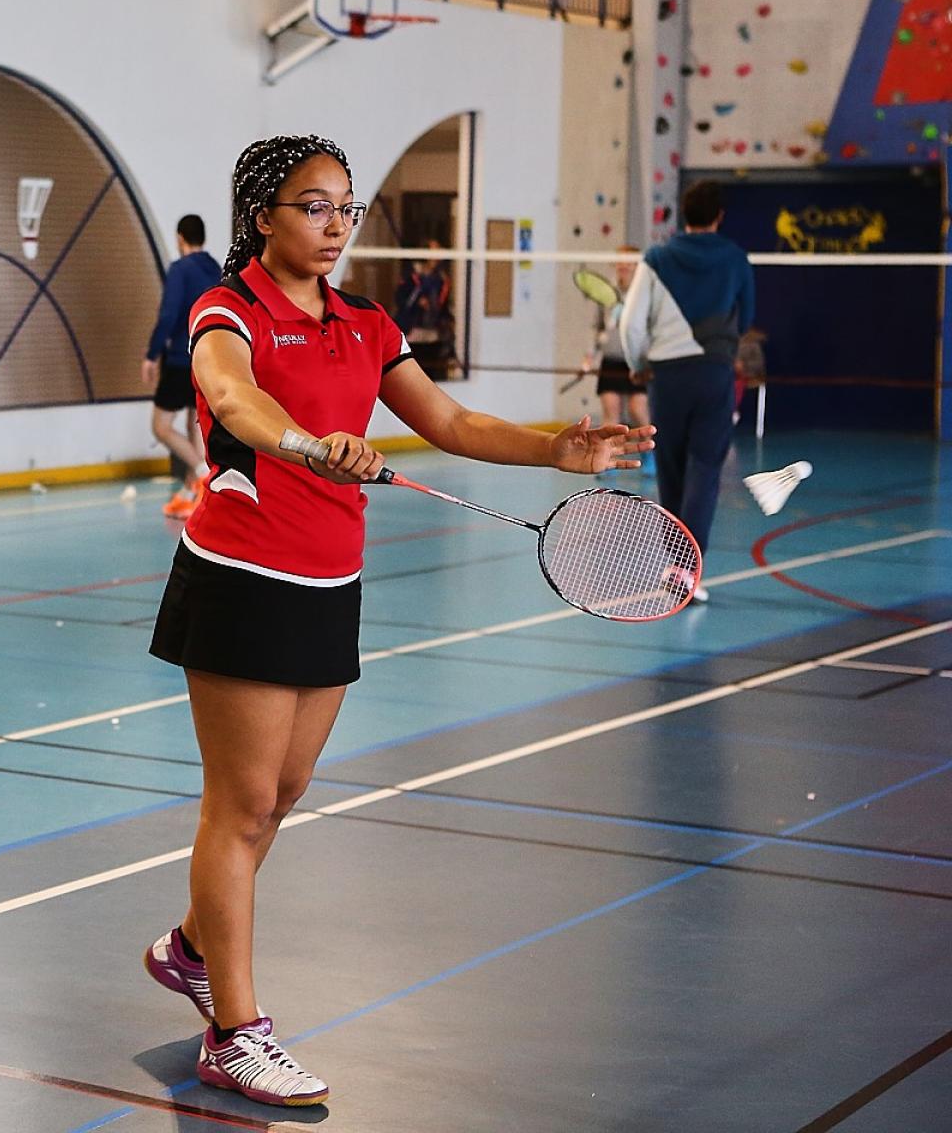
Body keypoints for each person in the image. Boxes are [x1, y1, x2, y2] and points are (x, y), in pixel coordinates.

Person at [143, 134, 652, 1107]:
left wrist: (557, 448)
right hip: (241, 577)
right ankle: (234, 1032)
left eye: (346, 207)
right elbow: (232, 398)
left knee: (281, 795)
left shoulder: (366, 323)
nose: (335, 225)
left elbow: (451, 423)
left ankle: (192, 949)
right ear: (262, 216)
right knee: (240, 808)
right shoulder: (228, 308)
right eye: (313, 206)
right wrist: (308, 444)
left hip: (331, 579)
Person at [620, 179, 755, 604]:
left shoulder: (657, 258)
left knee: (672, 470)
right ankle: (687, 571)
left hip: (667, 378)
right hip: (713, 375)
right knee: (704, 469)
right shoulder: (735, 259)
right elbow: (745, 317)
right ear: (720, 216)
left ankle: (676, 566)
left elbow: (631, 324)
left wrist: (637, 365)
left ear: (683, 213)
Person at [143, 214, 221, 518]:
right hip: (208, 358)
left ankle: (202, 475)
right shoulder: (215, 269)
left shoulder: (180, 269)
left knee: (160, 427)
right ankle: (192, 493)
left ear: (180, 238)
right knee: (194, 425)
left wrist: (152, 355)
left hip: (180, 359)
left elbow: (168, 315)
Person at [583, 245, 651, 471]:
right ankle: (607, 460)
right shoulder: (606, 293)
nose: (624, 266)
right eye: (620, 261)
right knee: (610, 412)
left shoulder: (645, 294)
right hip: (610, 359)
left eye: (629, 262)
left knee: (637, 409)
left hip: (636, 361)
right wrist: (589, 356)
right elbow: (597, 328)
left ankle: (650, 454)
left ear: (637, 266)